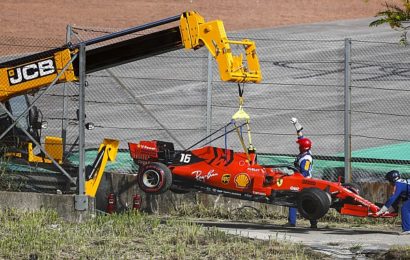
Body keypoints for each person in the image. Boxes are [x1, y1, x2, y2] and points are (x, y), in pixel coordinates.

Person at [286, 117, 318, 229]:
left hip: (304, 182)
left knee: (293, 199)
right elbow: (301, 137)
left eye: (300, 145)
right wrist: (296, 124)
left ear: (302, 148)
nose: (298, 146)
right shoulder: (307, 151)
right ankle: (313, 223)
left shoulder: (305, 159)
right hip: (303, 180)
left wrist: (293, 177)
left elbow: (304, 173)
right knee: (308, 202)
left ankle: (292, 222)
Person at [376, 170, 410, 235]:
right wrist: (388, 211)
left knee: (405, 208)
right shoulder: (402, 184)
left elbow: (393, 198)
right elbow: (396, 201)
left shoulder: (398, 184)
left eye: (389, 180)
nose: (389, 183)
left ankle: (407, 229)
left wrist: (382, 210)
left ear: (392, 180)